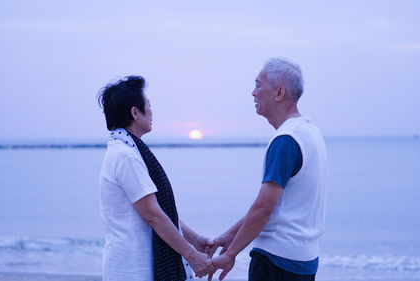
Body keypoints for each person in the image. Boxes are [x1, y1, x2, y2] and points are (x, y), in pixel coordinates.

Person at [210, 58, 328, 281]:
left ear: (279, 93)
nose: (253, 93)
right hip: (304, 260)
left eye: (258, 85)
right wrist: (231, 235)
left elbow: (264, 207)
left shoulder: (286, 139)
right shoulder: (310, 132)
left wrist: (231, 253)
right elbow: (277, 205)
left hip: (276, 262)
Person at [97, 76, 215, 281]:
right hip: (132, 270)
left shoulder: (128, 151)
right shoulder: (126, 155)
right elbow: (153, 215)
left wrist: (194, 239)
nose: (152, 112)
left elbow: (157, 210)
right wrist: (191, 255)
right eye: (148, 106)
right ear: (135, 113)